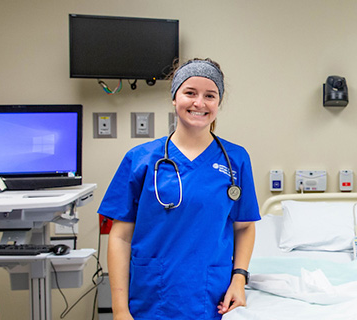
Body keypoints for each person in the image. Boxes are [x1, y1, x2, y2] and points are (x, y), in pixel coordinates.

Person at [99, 58, 260, 319]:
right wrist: (119, 309)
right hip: (152, 296)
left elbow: (245, 226)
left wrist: (239, 279)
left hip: (212, 297)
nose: (199, 103)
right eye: (190, 93)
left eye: (210, 95)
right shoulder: (140, 159)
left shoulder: (236, 159)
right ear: (175, 98)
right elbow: (120, 237)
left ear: (218, 103)